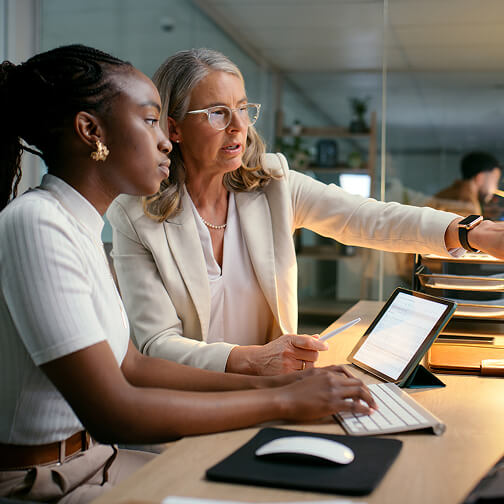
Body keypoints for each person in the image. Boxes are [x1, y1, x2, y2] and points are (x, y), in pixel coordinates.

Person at [0, 44, 378, 504]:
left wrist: (280, 382)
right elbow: (114, 411)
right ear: (90, 131)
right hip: (42, 480)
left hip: (98, 461)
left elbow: (133, 366)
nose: (165, 140)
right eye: (149, 120)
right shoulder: (36, 222)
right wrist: (284, 402)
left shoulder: (76, 226)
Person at [107, 48, 504, 376]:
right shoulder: (134, 215)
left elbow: (370, 218)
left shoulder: (274, 183)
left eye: (243, 109)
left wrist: (472, 233)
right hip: (195, 403)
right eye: (217, 113)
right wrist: (250, 359)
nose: (238, 127)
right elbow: (156, 346)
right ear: (173, 129)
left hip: (275, 393)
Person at [434, 151, 501, 216]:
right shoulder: (469, 206)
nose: (496, 187)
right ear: (480, 178)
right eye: (495, 181)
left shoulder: (447, 193)